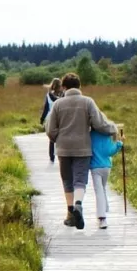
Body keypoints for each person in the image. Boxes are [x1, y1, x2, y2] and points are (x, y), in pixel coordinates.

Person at [45, 72, 119, 229]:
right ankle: (79, 204)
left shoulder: (58, 104)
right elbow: (99, 124)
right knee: (80, 180)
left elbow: (50, 130)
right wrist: (113, 128)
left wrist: (59, 139)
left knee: (67, 180)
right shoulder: (88, 102)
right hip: (83, 148)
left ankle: (71, 213)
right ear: (79, 86)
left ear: (64, 87)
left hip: (64, 149)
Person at [89, 125, 124, 229]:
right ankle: (105, 207)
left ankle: (102, 218)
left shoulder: (90, 135)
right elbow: (110, 151)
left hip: (95, 167)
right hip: (107, 167)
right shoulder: (107, 136)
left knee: (99, 190)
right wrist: (119, 143)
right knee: (103, 187)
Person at [40, 78, 62, 162]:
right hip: (61, 117)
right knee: (61, 137)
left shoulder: (48, 95)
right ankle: (61, 154)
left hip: (50, 118)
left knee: (51, 138)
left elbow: (46, 108)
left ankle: (51, 156)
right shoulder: (63, 95)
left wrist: (42, 119)